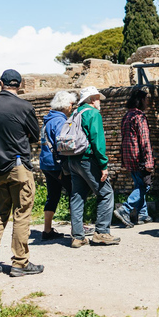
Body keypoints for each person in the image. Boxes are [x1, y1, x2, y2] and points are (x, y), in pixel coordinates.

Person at [0, 69, 44, 277]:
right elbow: (35, 136)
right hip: (18, 167)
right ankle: (20, 263)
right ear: (20, 85)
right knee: (21, 214)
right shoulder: (24, 106)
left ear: (1, 83)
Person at [67, 86, 120, 248]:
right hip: (87, 159)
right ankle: (102, 233)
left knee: (77, 195)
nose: (99, 101)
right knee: (106, 192)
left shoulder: (76, 113)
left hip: (73, 159)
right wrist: (103, 165)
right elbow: (98, 141)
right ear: (91, 100)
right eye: (97, 98)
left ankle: (77, 236)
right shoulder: (93, 113)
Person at [39, 90, 77, 240]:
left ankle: (47, 230)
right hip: (58, 164)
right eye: (71, 104)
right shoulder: (60, 120)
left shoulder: (48, 119)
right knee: (74, 193)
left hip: (46, 163)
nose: (72, 108)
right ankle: (77, 227)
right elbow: (63, 144)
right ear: (65, 104)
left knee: (53, 195)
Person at [114, 89, 154, 227]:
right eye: (146, 99)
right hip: (138, 157)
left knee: (138, 184)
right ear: (141, 100)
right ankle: (125, 209)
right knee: (145, 185)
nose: (148, 102)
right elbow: (144, 140)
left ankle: (143, 215)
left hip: (128, 156)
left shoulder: (127, 116)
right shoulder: (139, 116)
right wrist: (149, 160)